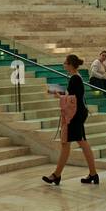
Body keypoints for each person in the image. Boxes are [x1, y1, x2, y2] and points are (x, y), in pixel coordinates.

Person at [42, 54, 99, 186]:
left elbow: (72, 99)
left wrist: (59, 97)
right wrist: (61, 95)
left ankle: (58, 175)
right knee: (72, 143)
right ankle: (91, 173)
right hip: (78, 113)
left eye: (65, 63)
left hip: (75, 115)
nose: (64, 65)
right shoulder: (75, 78)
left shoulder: (75, 78)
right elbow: (72, 96)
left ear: (70, 65)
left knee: (77, 142)